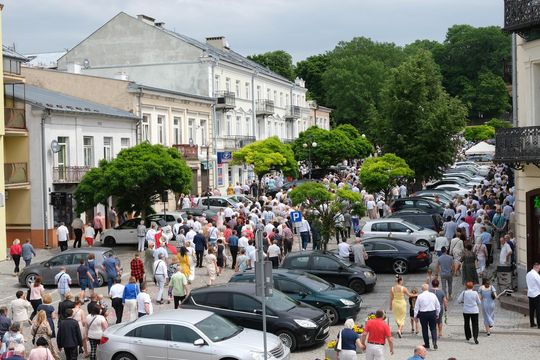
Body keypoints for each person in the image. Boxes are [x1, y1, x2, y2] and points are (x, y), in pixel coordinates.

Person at [414, 283, 440, 350]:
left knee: (424, 329)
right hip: (432, 312)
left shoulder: (420, 296)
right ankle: (434, 342)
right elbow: (437, 305)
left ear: (422, 289)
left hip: (423, 314)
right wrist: (437, 313)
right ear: (428, 288)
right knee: (433, 328)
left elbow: (416, 307)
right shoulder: (433, 295)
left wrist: (415, 316)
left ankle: (427, 344)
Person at [526, 262, 540, 328]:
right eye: (539, 268)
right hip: (537, 294)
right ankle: (539, 324)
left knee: (531, 310)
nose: (539, 270)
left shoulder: (528, 274)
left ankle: (532, 323)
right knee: (538, 310)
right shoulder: (536, 275)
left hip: (530, 294)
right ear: (536, 267)